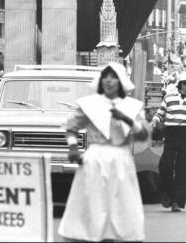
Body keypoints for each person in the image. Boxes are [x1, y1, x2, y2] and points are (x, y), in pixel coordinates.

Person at [58, 62, 148, 242]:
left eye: (113, 77)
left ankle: (117, 236)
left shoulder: (132, 106)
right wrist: (73, 147)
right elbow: (71, 127)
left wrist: (126, 119)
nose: (109, 81)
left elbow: (142, 134)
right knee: (94, 200)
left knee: (121, 201)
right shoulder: (90, 104)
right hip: (95, 158)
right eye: (105, 76)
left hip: (120, 158)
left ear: (121, 81)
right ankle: (89, 235)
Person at [152, 71, 186, 212]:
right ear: (181, 85)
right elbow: (160, 113)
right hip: (171, 134)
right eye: (185, 84)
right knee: (165, 166)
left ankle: (177, 201)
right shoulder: (169, 97)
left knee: (182, 169)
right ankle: (168, 195)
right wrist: (154, 121)